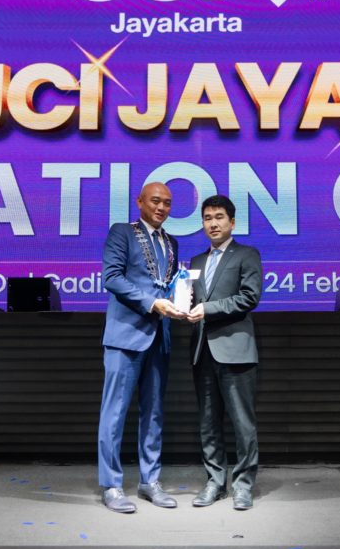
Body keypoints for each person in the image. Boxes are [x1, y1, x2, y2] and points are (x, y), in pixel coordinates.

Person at [97, 182, 186, 513]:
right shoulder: (121, 232)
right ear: (139, 202)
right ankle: (111, 485)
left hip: (159, 336)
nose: (162, 207)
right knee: (114, 413)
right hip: (125, 336)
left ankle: (150, 481)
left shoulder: (171, 242)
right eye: (155, 201)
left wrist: (181, 303)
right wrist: (152, 303)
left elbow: (170, 285)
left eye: (167, 203)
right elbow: (112, 277)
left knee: (154, 413)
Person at [186, 195, 263, 510]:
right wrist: (182, 306)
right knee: (208, 424)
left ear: (232, 222)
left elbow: (249, 297)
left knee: (243, 424)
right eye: (207, 218)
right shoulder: (195, 262)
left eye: (219, 217)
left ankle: (243, 486)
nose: (213, 223)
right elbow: (191, 302)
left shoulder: (247, 254)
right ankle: (215, 482)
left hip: (236, 351)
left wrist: (207, 309)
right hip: (202, 351)